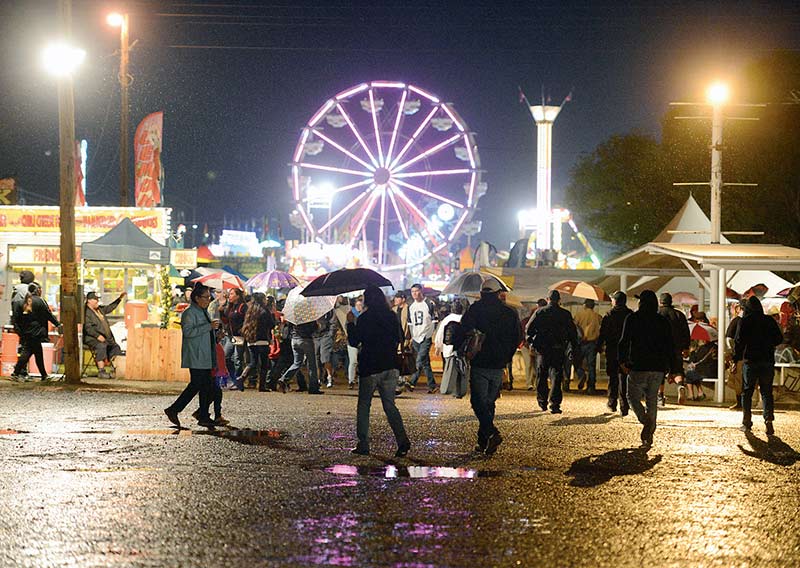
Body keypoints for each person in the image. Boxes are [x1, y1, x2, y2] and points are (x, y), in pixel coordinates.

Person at [347, 285, 410, 457]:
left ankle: (364, 443)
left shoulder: (364, 318)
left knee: (364, 405)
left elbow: (354, 341)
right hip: (390, 364)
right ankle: (402, 440)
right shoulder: (391, 316)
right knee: (389, 405)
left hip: (370, 365)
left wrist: (350, 323)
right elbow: (400, 337)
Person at [461, 278, 521, 455]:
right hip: (498, 364)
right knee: (489, 402)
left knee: (477, 402)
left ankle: (491, 433)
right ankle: (484, 440)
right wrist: (506, 358)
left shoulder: (475, 309)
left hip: (480, 362)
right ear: (497, 293)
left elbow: (464, 330)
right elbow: (516, 338)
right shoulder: (509, 313)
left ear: (482, 293)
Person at [618, 290, 677, 448]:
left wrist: (622, 361)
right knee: (652, 400)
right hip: (658, 368)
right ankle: (649, 434)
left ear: (641, 302)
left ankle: (645, 420)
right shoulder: (662, 321)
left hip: (638, 365)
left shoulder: (633, 318)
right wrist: (673, 369)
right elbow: (670, 346)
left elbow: (623, 342)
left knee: (632, 397)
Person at [164, 284, 218, 429]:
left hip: (205, 356)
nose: (208, 299)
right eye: (206, 297)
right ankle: (176, 410)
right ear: (197, 298)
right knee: (197, 386)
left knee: (208, 387)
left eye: (209, 297)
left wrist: (216, 333)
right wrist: (209, 327)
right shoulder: (189, 313)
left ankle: (202, 415)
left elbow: (204, 332)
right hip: (196, 356)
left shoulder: (203, 311)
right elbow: (188, 332)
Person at [733, 296, 783, 436]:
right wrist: (768, 344)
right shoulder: (769, 320)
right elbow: (779, 338)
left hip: (750, 360)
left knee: (747, 392)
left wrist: (735, 360)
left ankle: (746, 422)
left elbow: (738, 342)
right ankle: (768, 420)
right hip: (767, 360)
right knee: (766, 392)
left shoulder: (744, 321)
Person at [526, 290, 579, 414]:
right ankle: (554, 404)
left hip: (543, 350)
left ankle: (542, 401)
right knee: (556, 375)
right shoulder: (565, 314)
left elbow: (529, 329)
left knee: (542, 375)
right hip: (558, 348)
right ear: (559, 300)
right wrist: (572, 347)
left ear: (548, 299)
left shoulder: (540, 312)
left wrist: (532, 342)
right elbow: (572, 333)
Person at [12, 285, 60, 381]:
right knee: (28, 352)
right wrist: (58, 324)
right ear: (37, 290)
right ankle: (16, 372)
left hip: (26, 332)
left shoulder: (21, 302)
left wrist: (19, 331)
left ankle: (43, 375)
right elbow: (48, 315)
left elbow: (16, 319)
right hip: (36, 332)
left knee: (36, 352)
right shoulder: (40, 301)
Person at [597, 291, 633, 415]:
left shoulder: (609, 315)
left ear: (615, 301)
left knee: (613, 376)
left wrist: (599, 346)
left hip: (612, 350)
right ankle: (625, 405)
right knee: (624, 377)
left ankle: (612, 402)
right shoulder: (630, 315)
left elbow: (602, 333)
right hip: (627, 351)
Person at [83, 290, 126, 379]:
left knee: (115, 347)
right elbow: (88, 328)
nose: (97, 301)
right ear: (89, 301)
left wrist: (119, 299)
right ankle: (101, 371)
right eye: (95, 299)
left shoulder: (100, 310)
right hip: (92, 338)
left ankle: (116, 369)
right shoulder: (86, 313)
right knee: (101, 346)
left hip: (106, 338)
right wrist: (97, 336)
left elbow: (110, 307)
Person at [658, 292, 690, 407]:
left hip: (660, 349)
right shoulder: (679, 315)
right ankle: (680, 385)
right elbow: (686, 332)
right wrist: (686, 347)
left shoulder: (657, 314)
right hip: (676, 348)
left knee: (660, 372)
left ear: (660, 302)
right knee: (677, 370)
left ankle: (660, 396)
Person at [240, 292, 276, 392]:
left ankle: (242, 378)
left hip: (251, 341)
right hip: (263, 340)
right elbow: (272, 324)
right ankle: (262, 386)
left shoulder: (250, 311)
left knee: (253, 363)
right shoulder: (265, 311)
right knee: (264, 364)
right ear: (262, 300)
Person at [278, 319, 323, 395]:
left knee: (297, 363)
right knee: (312, 364)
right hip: (306, 340)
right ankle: (313, 387)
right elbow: (314, 329)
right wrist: (318, 325)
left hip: (294, 340)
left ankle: (284, 378)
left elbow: (289, 327)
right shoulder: (308, 317)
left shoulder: (294, 316)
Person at [407, 283, 437, 393]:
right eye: (412, 292)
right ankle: (432, 385)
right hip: (416, 337)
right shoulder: (411, 306)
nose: (414, 294)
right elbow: (410, 323)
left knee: (419, 360)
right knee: (425, 362)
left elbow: (434, 320)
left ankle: (411, 382)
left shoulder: (429, 303)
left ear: (421, 291)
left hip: (425, 336)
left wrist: (429, 334)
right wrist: (411, 336)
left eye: (416, 291)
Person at [434, 299, 467, 398]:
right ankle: (459, 391)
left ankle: (448, 388)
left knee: (449, 370)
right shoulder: (465, 319)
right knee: (461, 370)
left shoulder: (447, 319)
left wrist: (438, 347)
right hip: (462, 349)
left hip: (448, 349)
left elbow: (440, 334)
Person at [573, 298, 603, 394]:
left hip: (581, 343)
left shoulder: (578, 315)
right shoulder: (598, 317)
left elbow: (574, 328)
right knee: (591, 366)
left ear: (584, 305)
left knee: (576, 362)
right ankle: (591, 386)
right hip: (593, 343)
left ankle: (581, 375)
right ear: (593, 306)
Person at [221, 288, 248, 381]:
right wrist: (221, 312)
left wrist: (242, 330)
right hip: (230, 336)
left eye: (232, 294)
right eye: (229, 294)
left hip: (239, 336)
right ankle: (230, 376)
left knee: (237, 359)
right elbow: (226, 320)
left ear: (238, 296)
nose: (230, 296)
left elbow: (247, 320)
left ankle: (237, 379)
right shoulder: (230, 307)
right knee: (225, 356)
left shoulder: (243, 307)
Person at [724, 300, 745, 410]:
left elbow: (729, 339)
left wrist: (730, 354)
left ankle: (740, 403)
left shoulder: (737, 321)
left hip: (739, 356)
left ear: (739, 308)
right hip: (754, 356)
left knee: (738, 380)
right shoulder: (757, 321)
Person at [392, 291, 413, 391]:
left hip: (405, 338)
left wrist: (410, 338)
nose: (395, 300)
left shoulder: (409, 309)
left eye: (397, 298)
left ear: (403, 299)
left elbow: (410, 325)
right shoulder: (393, 310)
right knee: (398, 359)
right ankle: (401, 380)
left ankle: (406, 380)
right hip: (395, 339)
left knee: (405, 360)